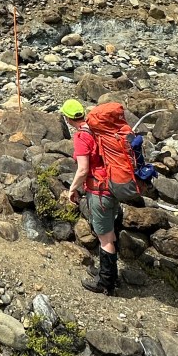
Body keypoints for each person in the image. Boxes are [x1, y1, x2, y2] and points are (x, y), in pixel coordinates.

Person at [61, 98, 120, 295]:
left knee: (105, 238)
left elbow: (83, 169)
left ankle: (106, 283)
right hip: (112, 186)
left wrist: (72, 189)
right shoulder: (97, 130)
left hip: (99, 192)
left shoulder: (81, 136)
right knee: (110, 233)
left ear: (68, 118)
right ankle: (110, 274)